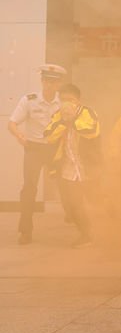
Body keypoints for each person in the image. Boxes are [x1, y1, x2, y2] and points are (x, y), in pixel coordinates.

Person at [8, 64, 66, 245]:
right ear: (42, 81)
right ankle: (25, 231)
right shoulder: (29, 100)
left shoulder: (63, 103)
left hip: (56, 148)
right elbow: (12, 123)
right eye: (47, 81)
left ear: (59, 85)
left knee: (67, 184)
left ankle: (76, 220)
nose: (49, 85)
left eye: (53, 82)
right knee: (29, 189)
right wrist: (19, 136)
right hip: (34, 148)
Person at [44, 84, 101, 248]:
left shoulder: (87, 113)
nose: (66, 103)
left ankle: (87, 234)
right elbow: (49, 136)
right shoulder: (58, 115)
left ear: (78, 100)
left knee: (82, 201)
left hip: (87, 165)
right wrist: (63, 121)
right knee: (68, 204)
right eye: (63, 100)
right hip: (66, 167)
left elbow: (91, 131)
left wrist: (72, 119)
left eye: (70, 100)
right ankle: (85, 230)